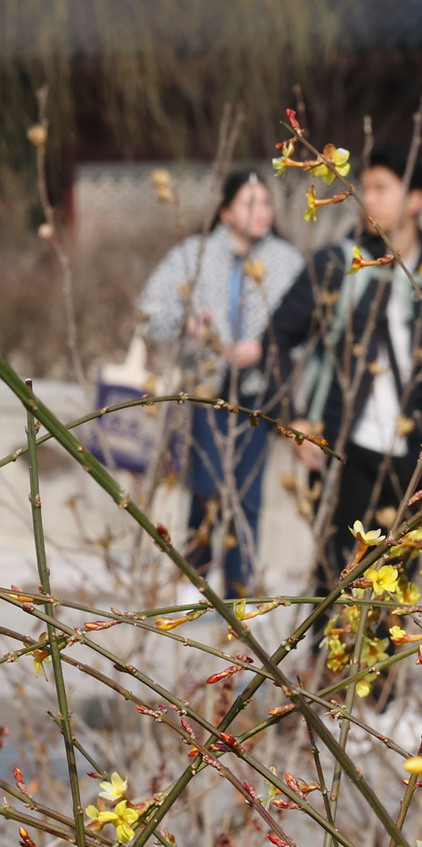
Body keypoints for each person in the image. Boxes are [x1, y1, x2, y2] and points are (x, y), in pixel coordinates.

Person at [271, 144, 422, 627]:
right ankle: (324, 687)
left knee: (397, 580)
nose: (368, 200)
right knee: (336, 571)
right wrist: (295, 418)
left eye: (381, 189)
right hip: (342, 443)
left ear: (415, 199)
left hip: (417, 448)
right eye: (363, 188)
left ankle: (380, 694)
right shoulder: (334, 263)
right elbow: (276, 337)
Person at [138, 168, 305, 595]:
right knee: (206, 486)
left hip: (259, 393)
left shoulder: (286, 261)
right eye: (251, 203)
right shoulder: (194, 254)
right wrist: (188, 323)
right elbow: (149, 311)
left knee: (248, 494)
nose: (262, 212)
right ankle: (194, 579)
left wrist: (265, 347)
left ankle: (239, 591)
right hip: (206, 392)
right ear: (227, 211)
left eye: (267, 203)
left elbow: (306, 326)